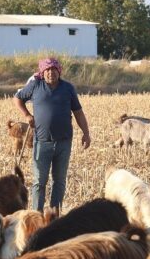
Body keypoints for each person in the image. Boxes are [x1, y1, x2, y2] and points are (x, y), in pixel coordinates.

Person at [13, 57, 91, 212]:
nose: (51, 73)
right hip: (42, 142)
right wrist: (27, 115)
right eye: (47, 70)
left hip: (63, 142)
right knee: (39, 182)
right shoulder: (35, 85)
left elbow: (78, 112)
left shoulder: (67, 88)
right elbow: (17, 98)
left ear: (59, 71)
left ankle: (54, 215)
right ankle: (37, 215)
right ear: (42, 72)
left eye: (54, 70)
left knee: (59, 181)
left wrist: (86, 133)